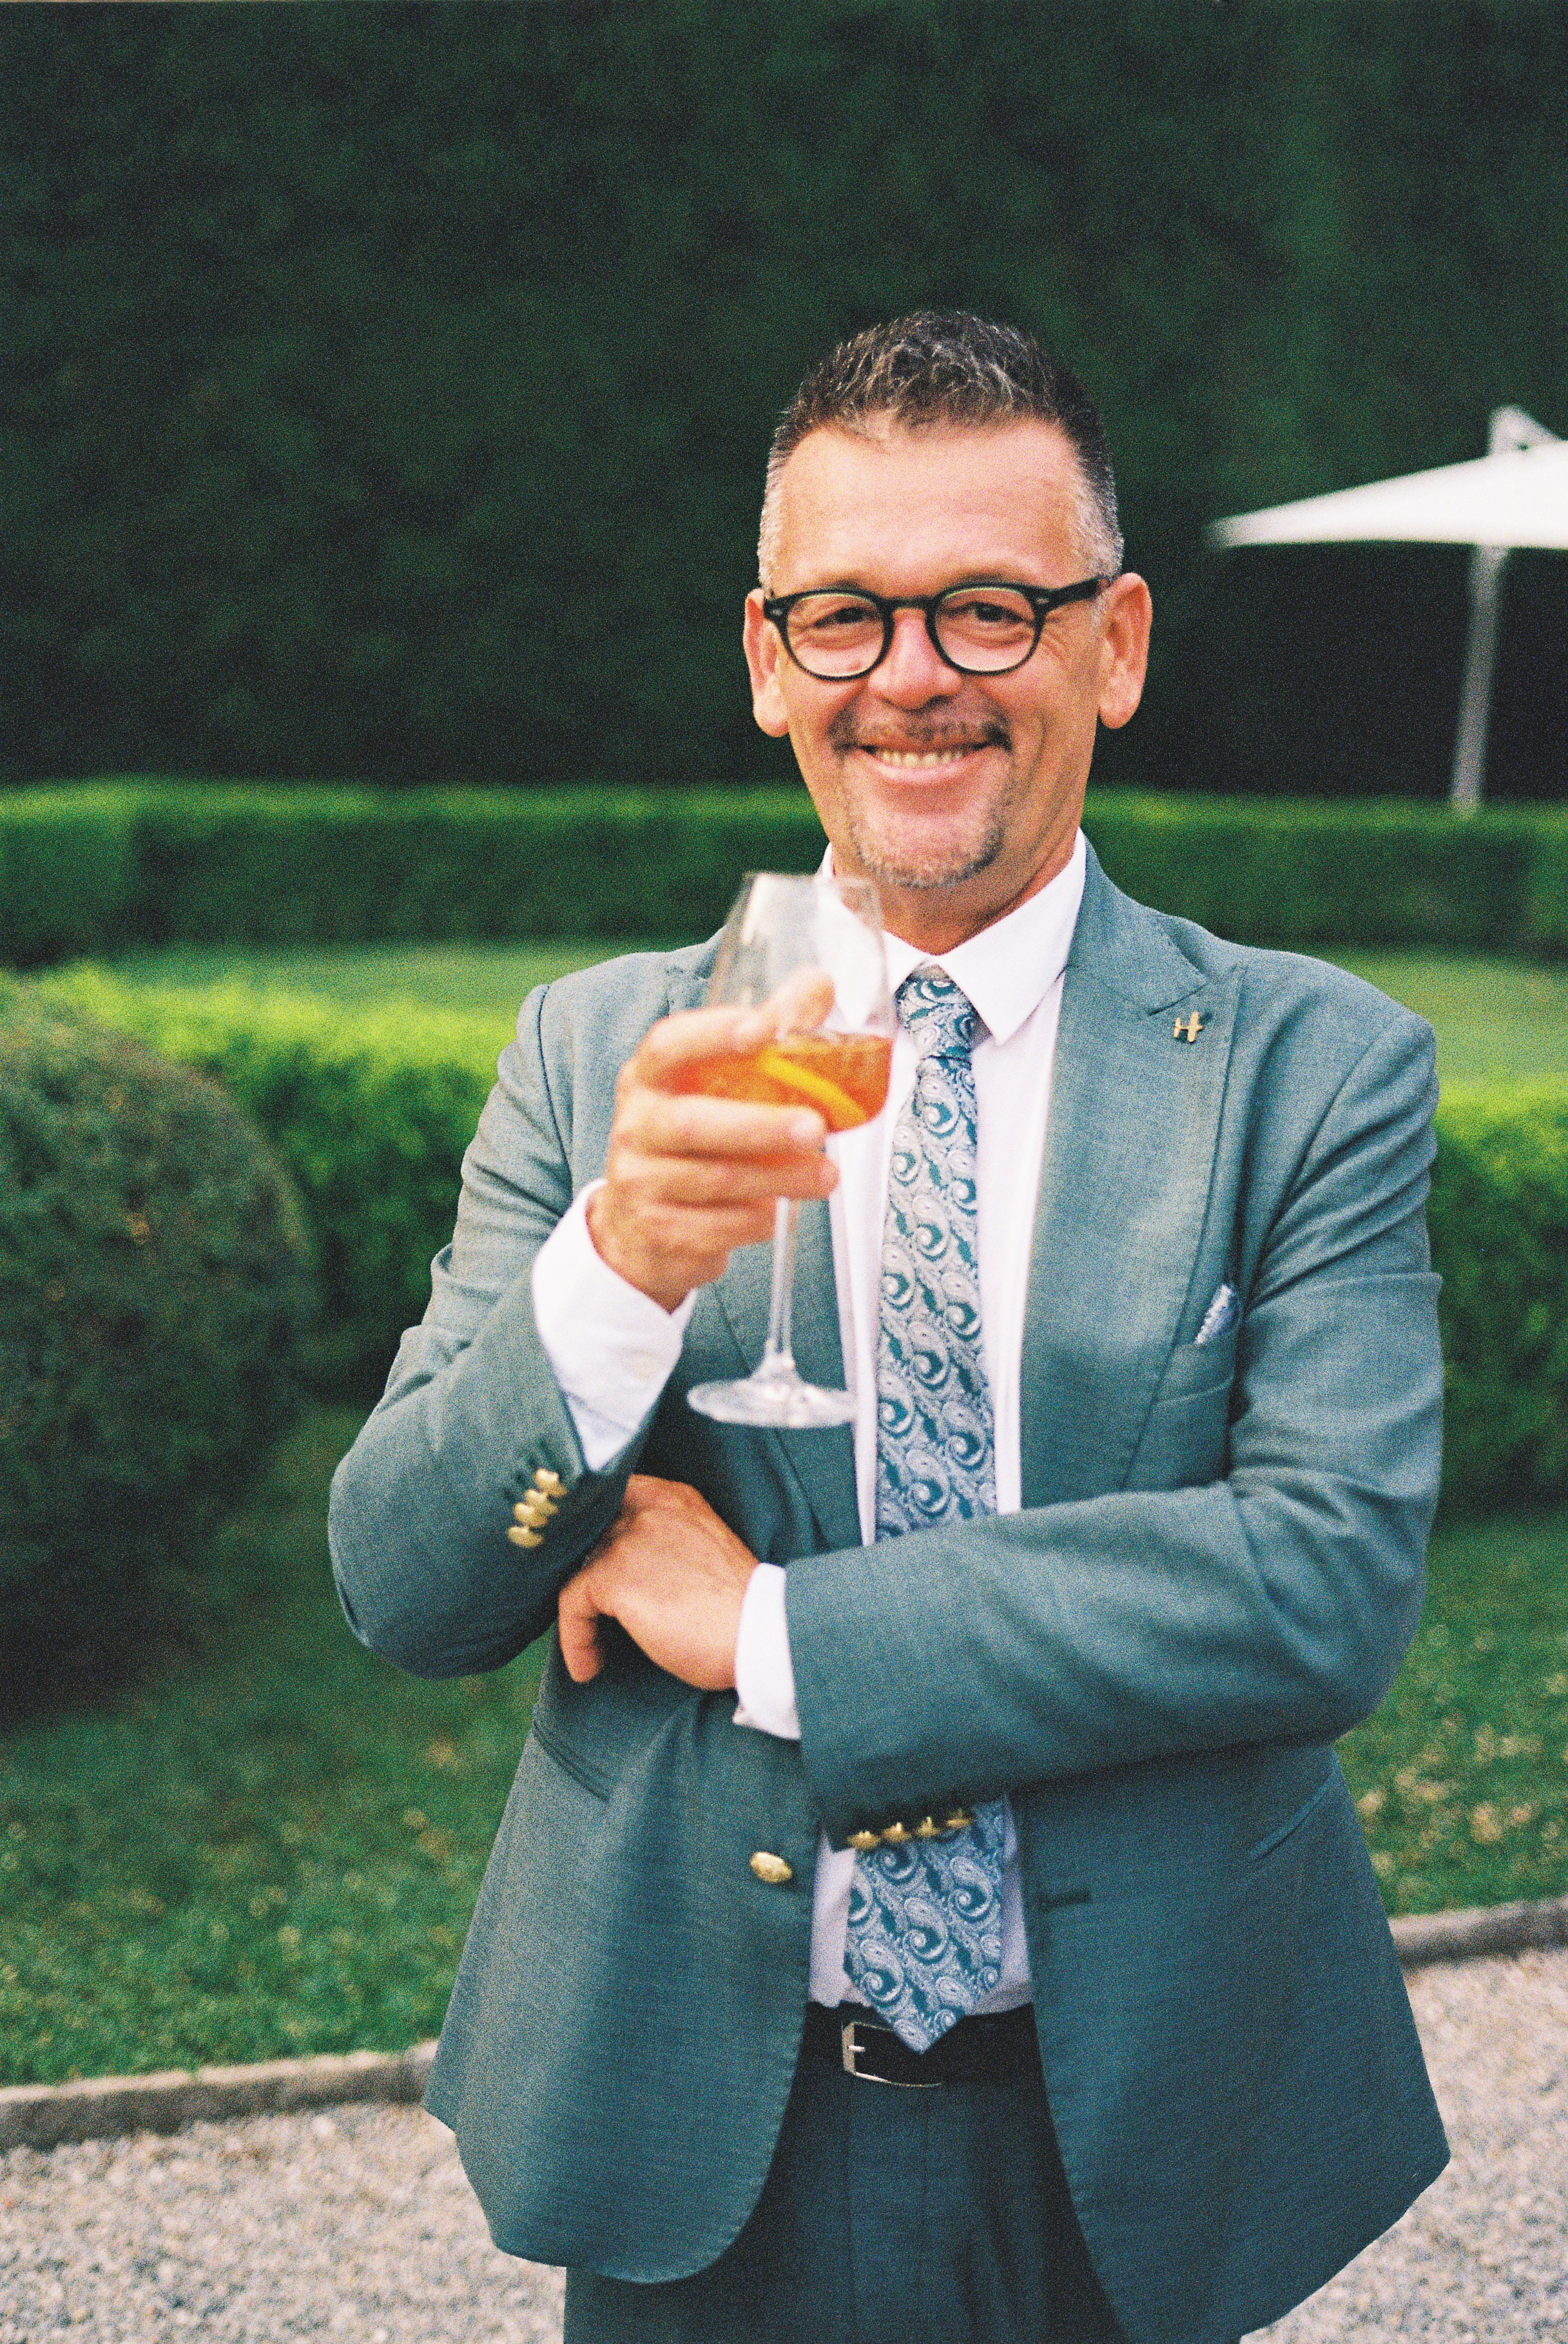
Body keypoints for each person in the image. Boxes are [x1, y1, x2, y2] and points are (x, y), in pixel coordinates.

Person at [329, 313, 1448, 2344]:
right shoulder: (597, 1057)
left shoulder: (1315, 1068)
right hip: (699, 2113)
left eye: (987, 609)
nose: (912, 676)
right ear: (769, 662)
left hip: (1133, 2124)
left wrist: (762, 1629)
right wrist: (616, 1280)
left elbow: (1323, 1586)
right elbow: (404, 1586)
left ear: (1110, 644)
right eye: (846, 615)